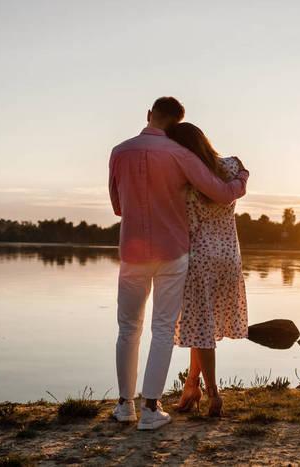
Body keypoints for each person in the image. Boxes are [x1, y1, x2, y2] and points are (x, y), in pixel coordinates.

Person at [108, 97, 249, 430]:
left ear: (149, 115)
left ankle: (124, 406)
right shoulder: (180, 155)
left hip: (132, 252)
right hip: (172, 252)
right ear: (175, 123)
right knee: (161, 329)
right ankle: (151, 410)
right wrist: (242, 176)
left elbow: (118, 206)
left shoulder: (119, 152)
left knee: (128, 328)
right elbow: (222, 192)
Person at [164, 123, 249, 417]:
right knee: (204, 326)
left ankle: (213, 394)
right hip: (229, 257)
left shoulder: (186, 178)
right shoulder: (230, 166)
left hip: (199, 258)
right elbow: (243, 175)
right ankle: (191, 386)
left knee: (201, 330)